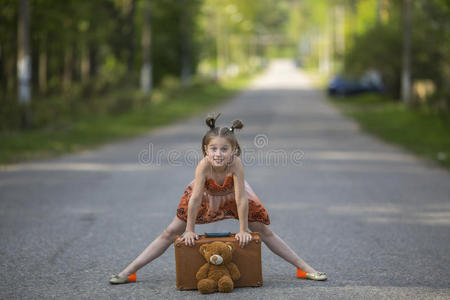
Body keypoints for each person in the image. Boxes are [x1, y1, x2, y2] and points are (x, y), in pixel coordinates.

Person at [109, 113, 327, 284]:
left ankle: (304, 268)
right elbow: (195, 199)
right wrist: (189, 230)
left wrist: (243, 229)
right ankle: (129, 271)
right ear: (205, 150)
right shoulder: (204, 165)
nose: (218, 154)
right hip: (205, 197)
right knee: (169, 232)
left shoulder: (236, 165)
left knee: (263, 231)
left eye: (224, 149)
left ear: (234, 151)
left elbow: (241, 198)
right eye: (213, 148)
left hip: (233, 197)